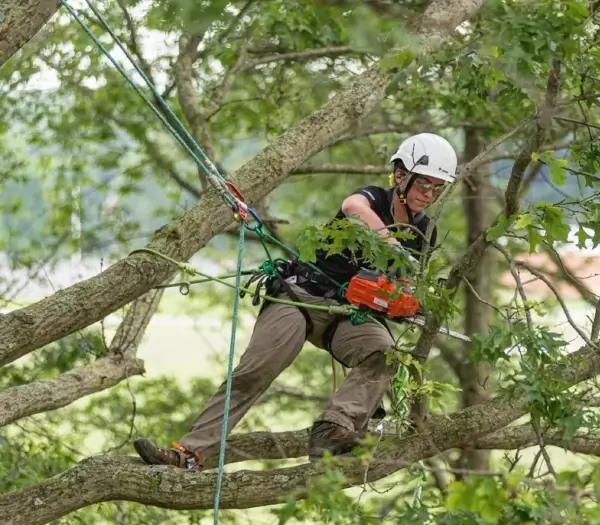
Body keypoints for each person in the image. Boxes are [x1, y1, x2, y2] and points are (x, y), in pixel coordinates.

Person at [132, 132, 458, 470]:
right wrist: (393, 246)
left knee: (386, 353)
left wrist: (408, 302)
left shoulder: (425, 232)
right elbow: (353, 208)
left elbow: (402, 285)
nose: (429, 194)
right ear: (401, 176)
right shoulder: (372, 199)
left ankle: (334, 429)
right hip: (301, 298)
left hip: (348, 316)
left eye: (437, 188)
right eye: (424, 184)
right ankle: (188, 454)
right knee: (255, 372)